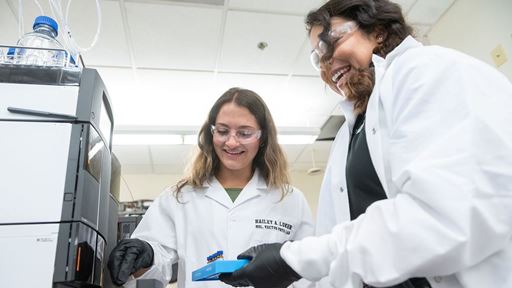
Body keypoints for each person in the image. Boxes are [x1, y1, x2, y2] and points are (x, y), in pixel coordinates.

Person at [219, 0, 512, 288]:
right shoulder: (350, 133)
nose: (326, 60)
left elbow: (444, 216)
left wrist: (292, 259)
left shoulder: (426, 70)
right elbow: (339, 246)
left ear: (379, 30)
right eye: (318, 56)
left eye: (332, 40)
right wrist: (290, 268)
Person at [107, 87, 314, 287]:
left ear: (262, 138)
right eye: (223, 131)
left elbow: (309, 271)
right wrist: (147, 254)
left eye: (244, 133)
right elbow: (157, 259)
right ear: (210, 133)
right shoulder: (180, 197)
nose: (231, 143)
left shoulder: (290, 200)